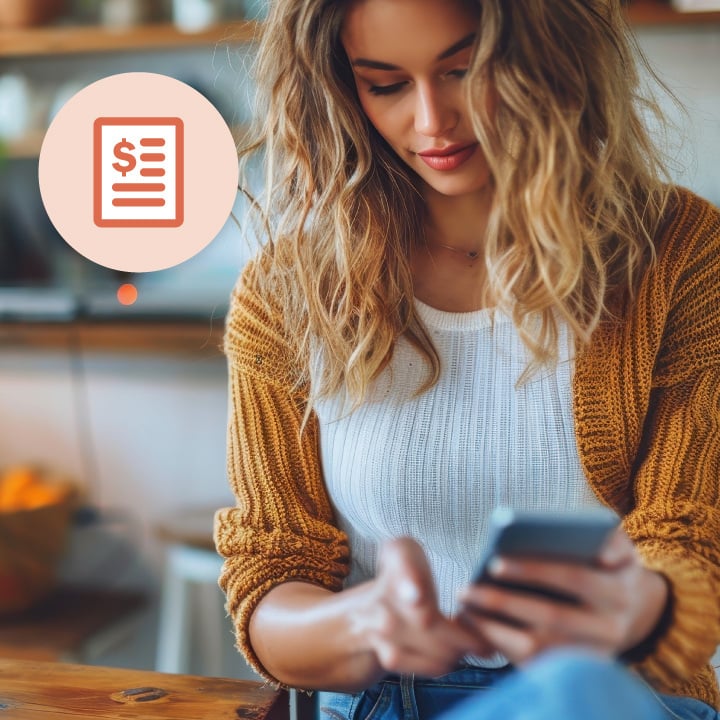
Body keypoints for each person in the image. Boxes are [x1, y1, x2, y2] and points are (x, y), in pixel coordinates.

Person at [213, 0, 720, 718]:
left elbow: (694, 541)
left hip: (613, 695)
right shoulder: (287, 292)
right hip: (385, 703)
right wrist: (365, 625)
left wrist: (635, 607)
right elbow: (271, 577)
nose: (431, 121)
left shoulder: (677, 254)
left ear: (551, 54)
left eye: (464, 70)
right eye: (385, 84)